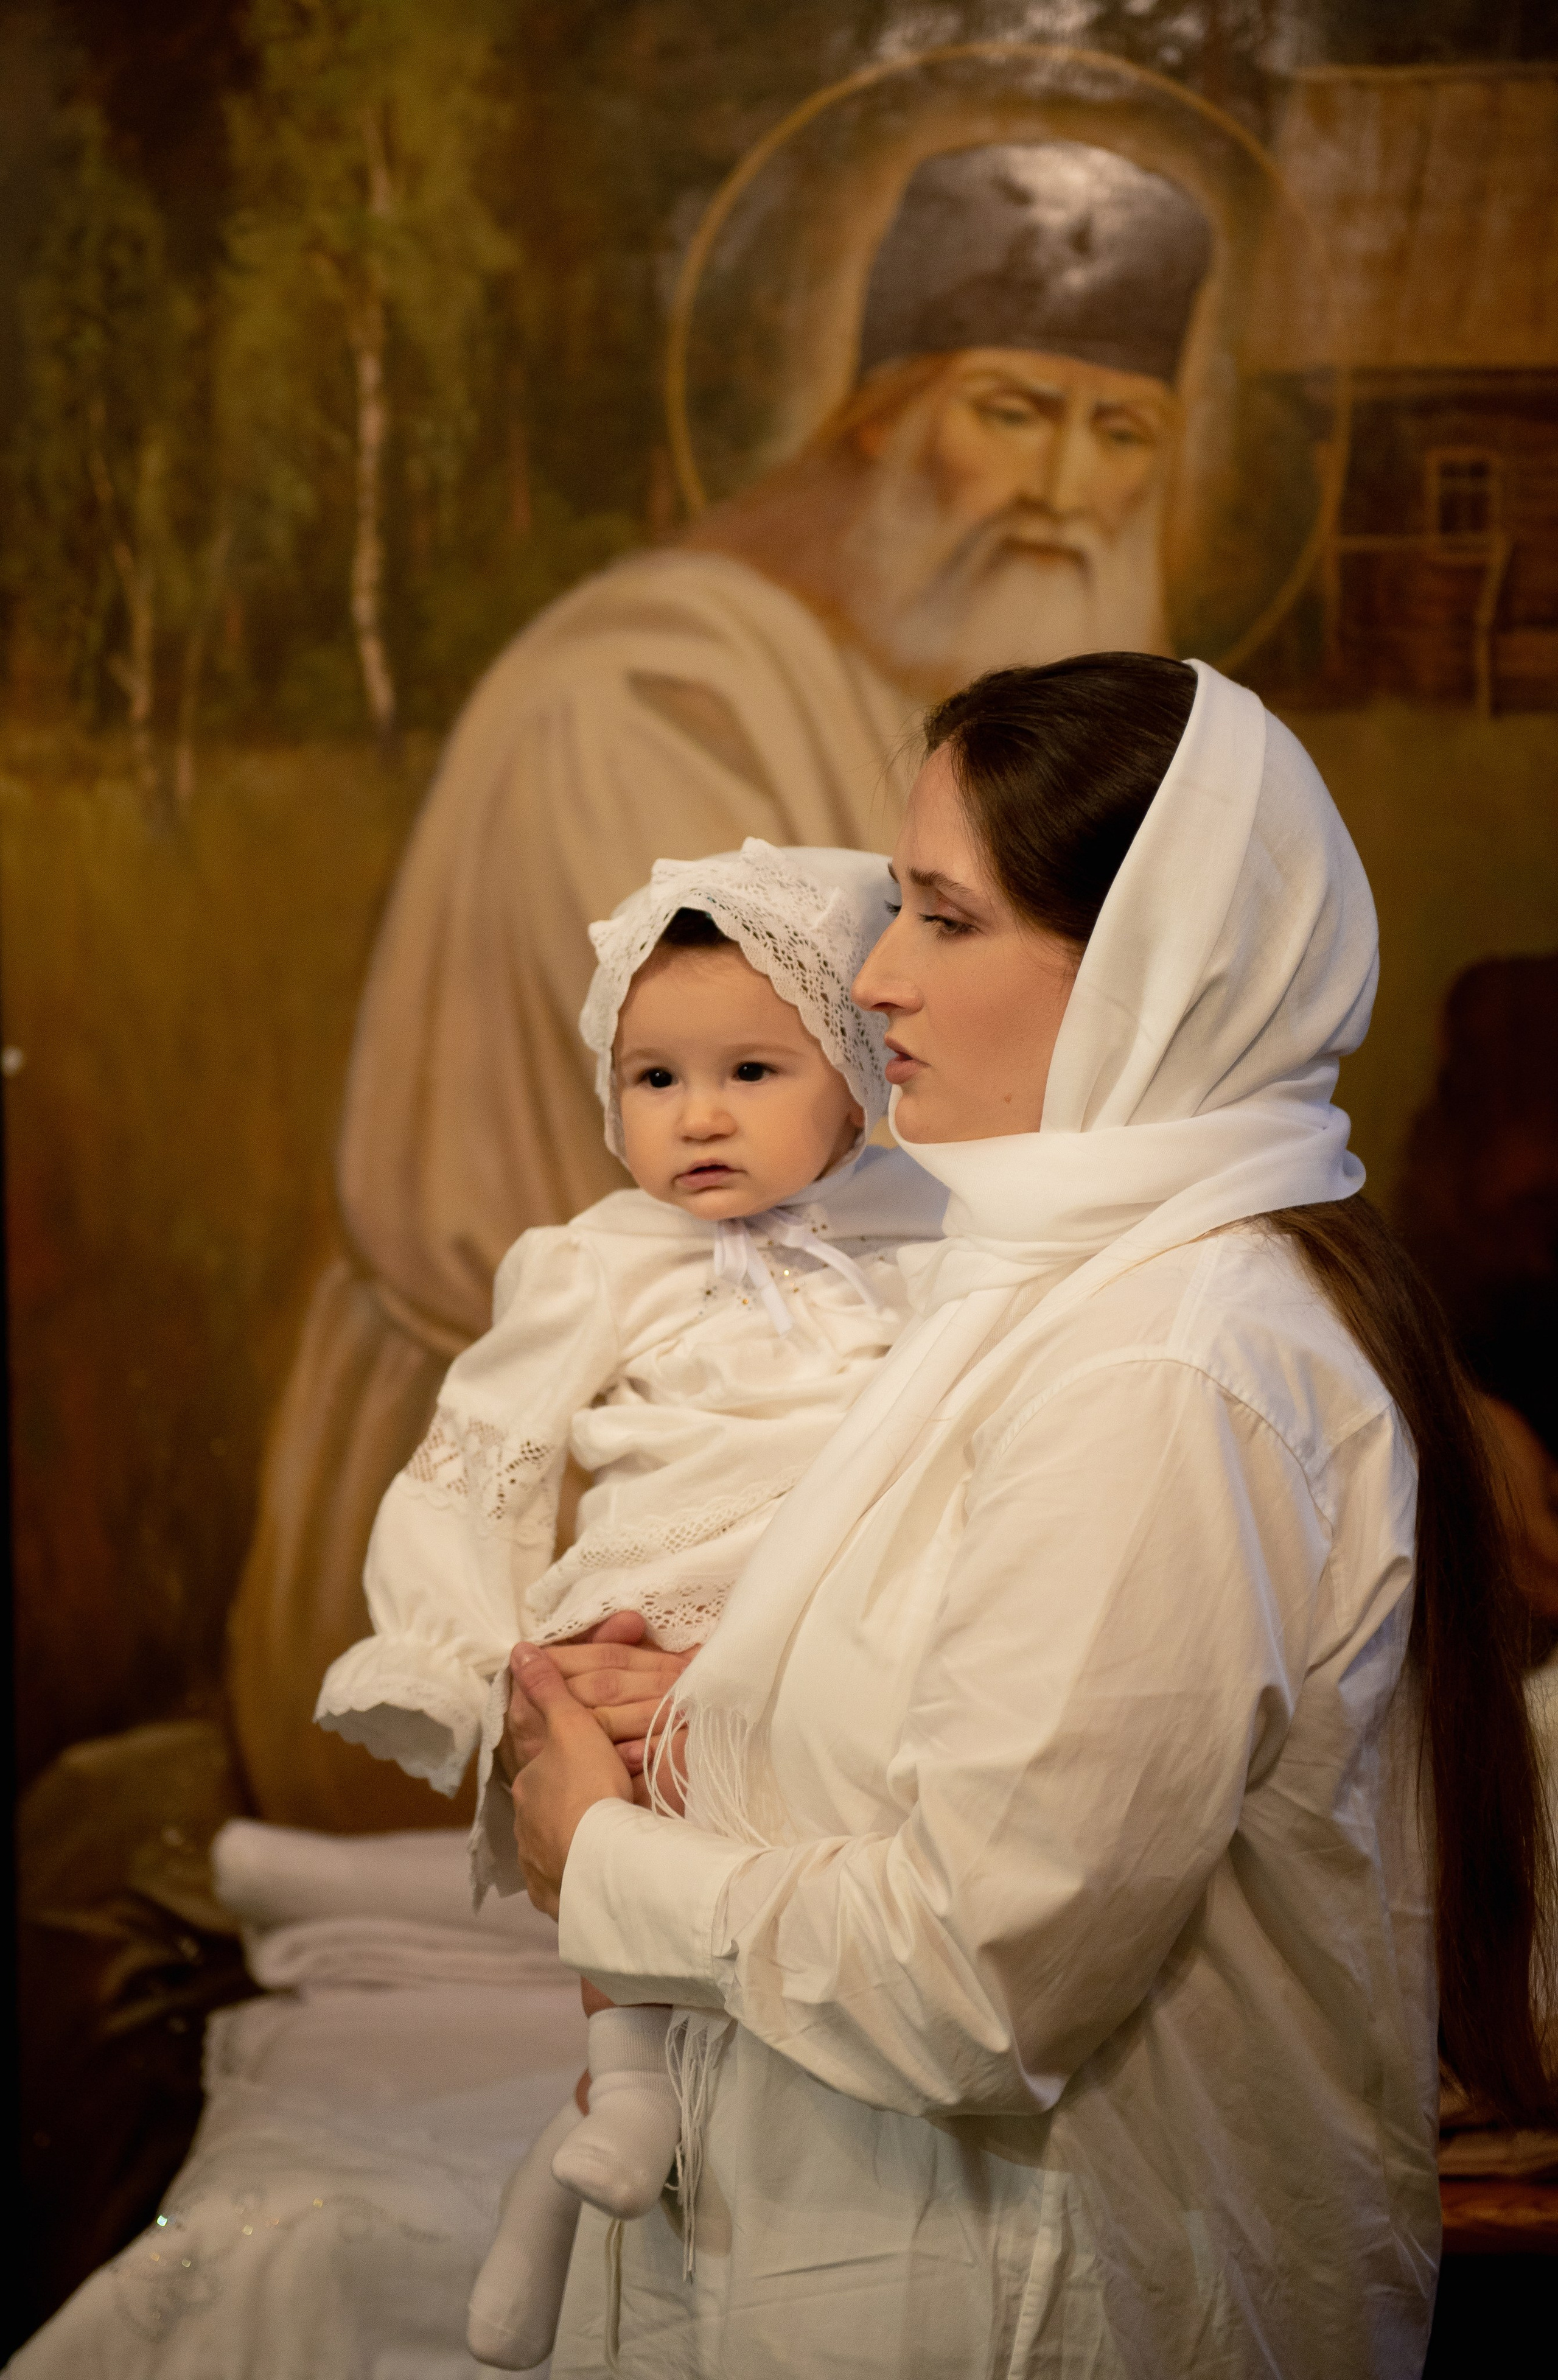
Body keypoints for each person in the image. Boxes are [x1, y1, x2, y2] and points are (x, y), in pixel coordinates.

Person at [503, 654, 1554, 2376]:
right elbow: (992, 1742)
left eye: (942, 914)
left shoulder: (1164, 1363)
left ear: (1144, 965)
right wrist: (706, 1710)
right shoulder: (1053, 1286)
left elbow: (980, 1975)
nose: (876, 973)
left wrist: (602, 1858)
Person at [229, 138, 1217, 1834]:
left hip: (832, 1493)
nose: (1064, 482)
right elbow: (752, 1159)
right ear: (876, 418)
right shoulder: (644, 695)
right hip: (580, 1492)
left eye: (1118, 429)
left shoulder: (928, 721)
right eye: (1009, 409)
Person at [313, 841, 945, 2368]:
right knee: (610, 1798)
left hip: (826, 1603)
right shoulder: (596, 1261)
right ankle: (622, 2066)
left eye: (747, 1067)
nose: (699, 1113)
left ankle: (585, 2147)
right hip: (655, 1592)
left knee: (768, 1883)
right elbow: (486, 1453)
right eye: (652, 1078)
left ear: (859, 1077)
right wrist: (454, 1646)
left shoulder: (932, 1241)